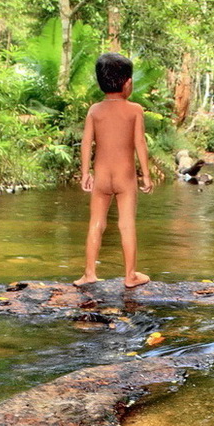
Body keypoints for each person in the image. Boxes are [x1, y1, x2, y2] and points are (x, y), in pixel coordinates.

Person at [74, 52, 154, 289]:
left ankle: (89, 273)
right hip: (125, 177)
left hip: (100, 177)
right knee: (126, 224)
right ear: (127, 83)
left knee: (96, 223)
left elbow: (87, 143)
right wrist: (146, 175)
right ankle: (130, 275)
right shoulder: (134, 110)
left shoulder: (94, 110)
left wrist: (85, 172)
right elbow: (140, 143)